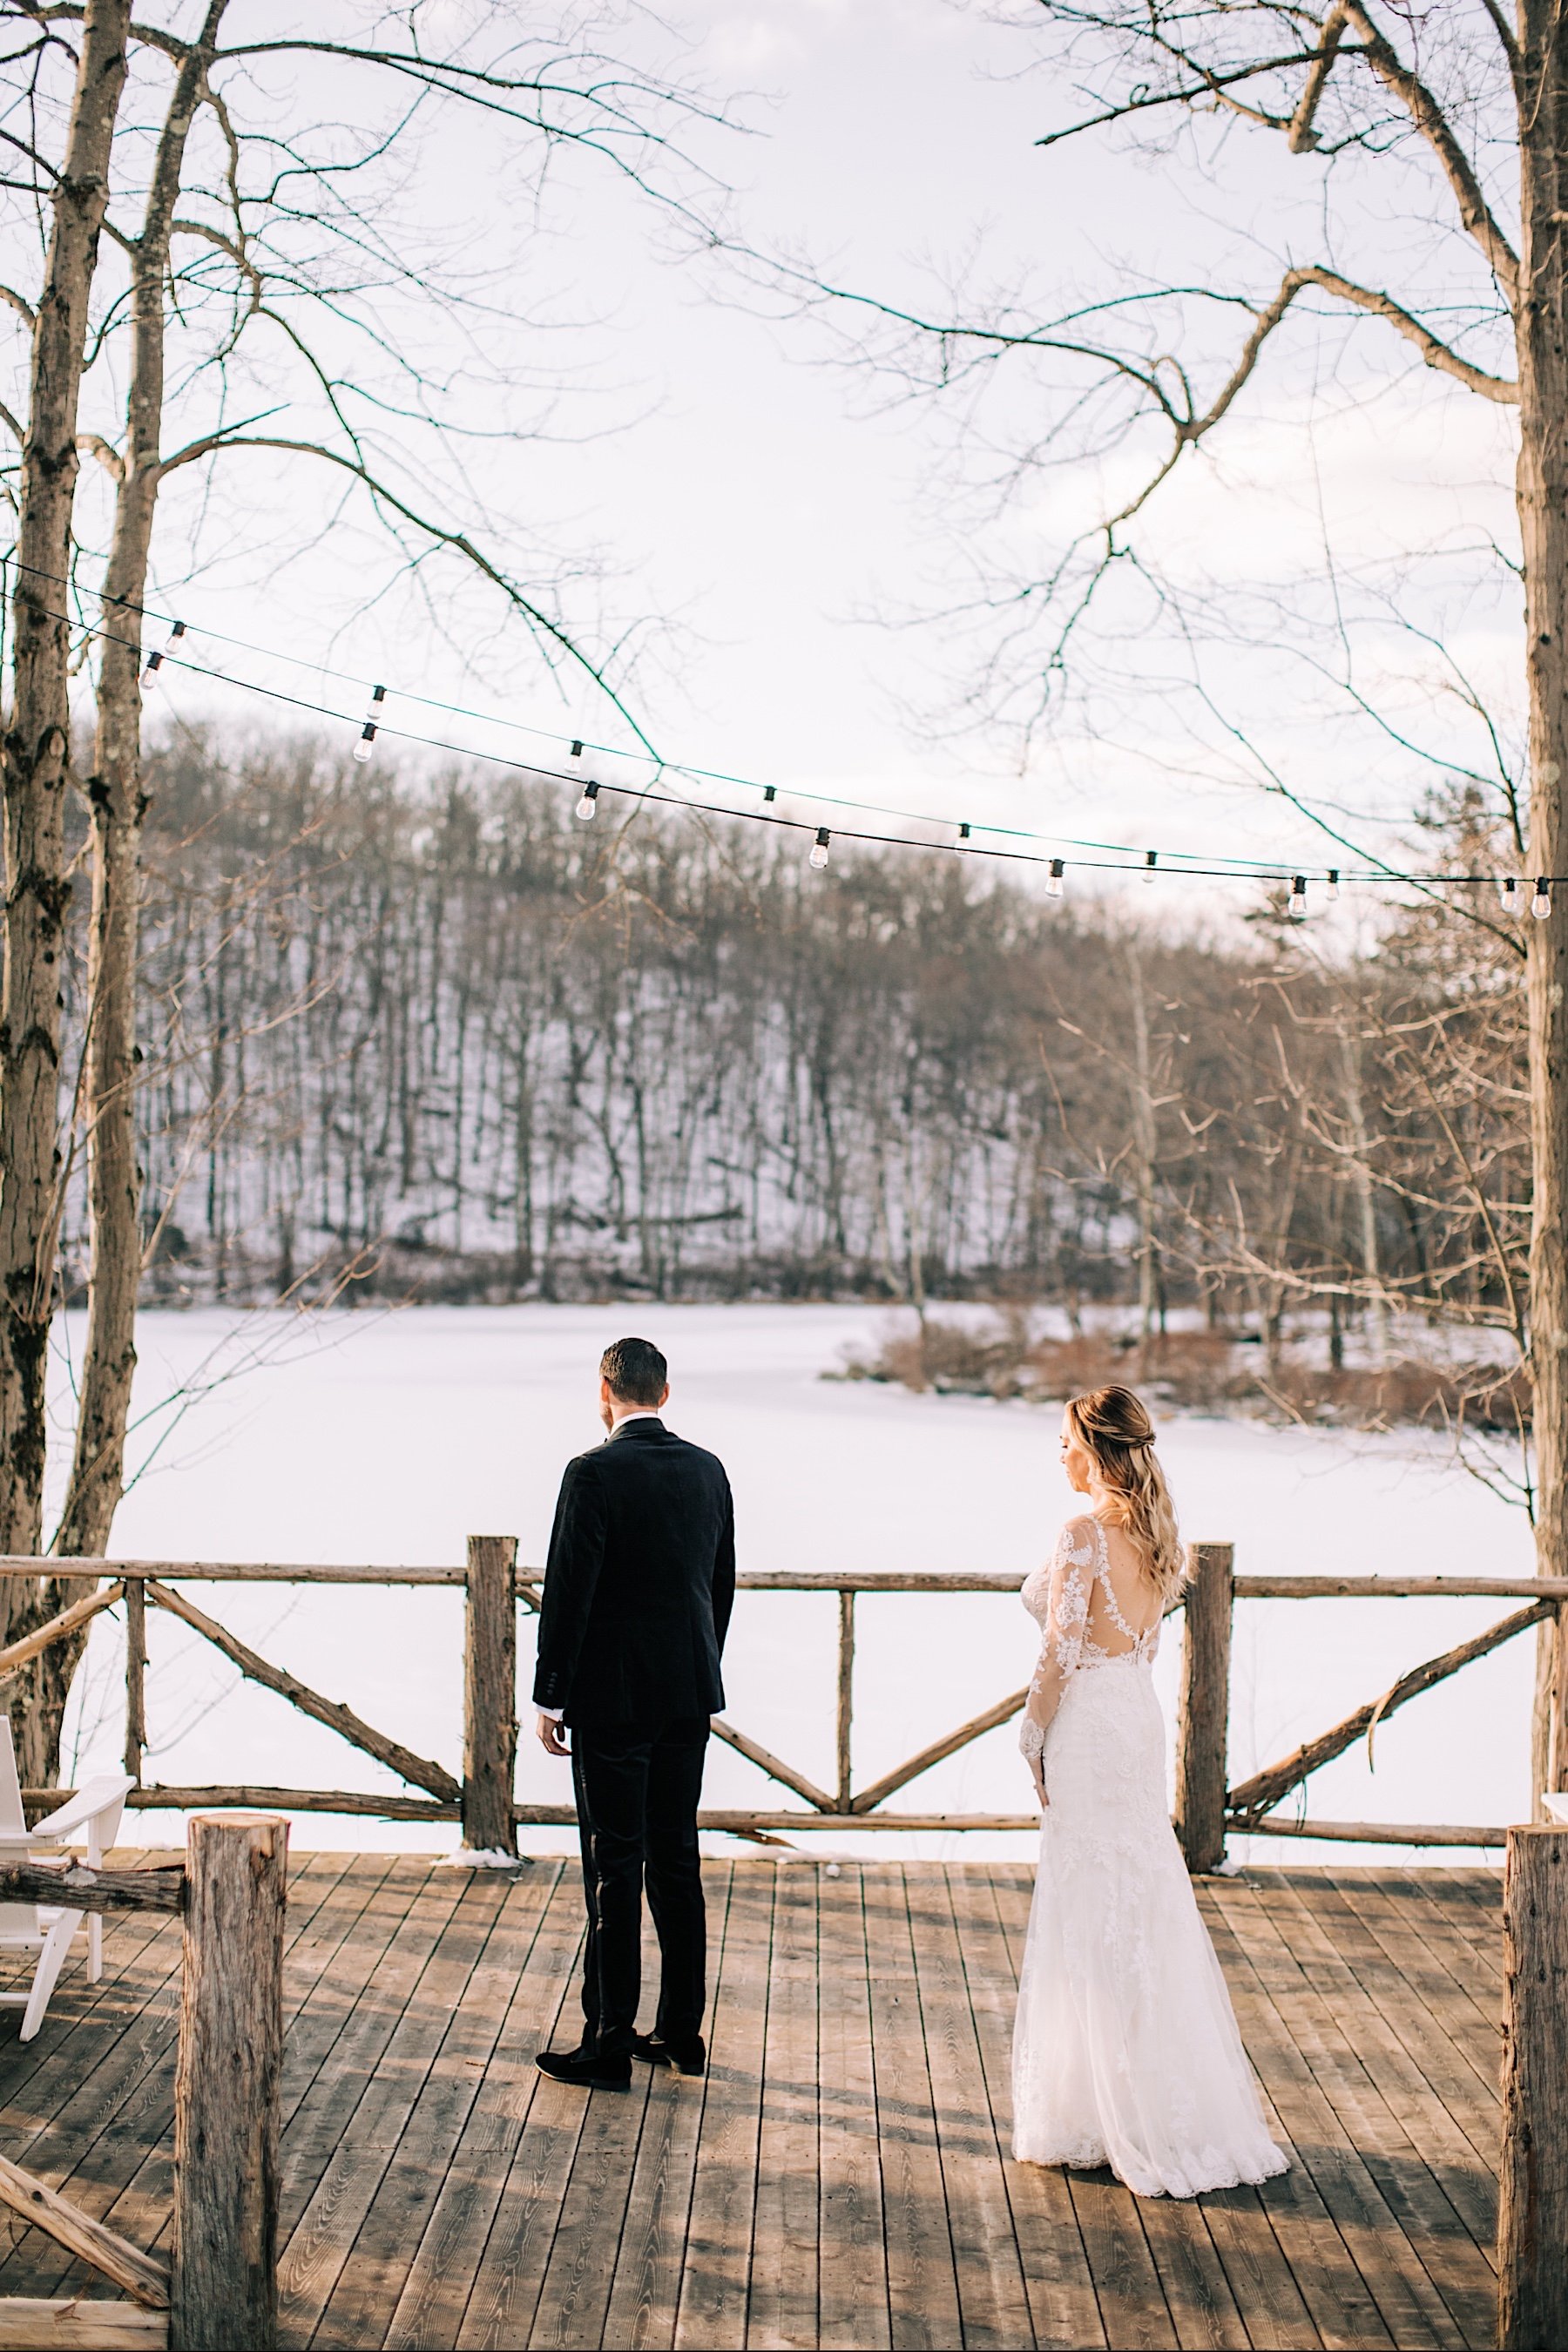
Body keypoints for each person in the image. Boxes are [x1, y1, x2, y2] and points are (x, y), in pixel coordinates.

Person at [1013, 1382, 1287, 2198]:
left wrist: (1030, 1734)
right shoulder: (1154, 1531)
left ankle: (1105, 2110)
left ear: (1095, 1450)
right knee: (1135, 1892)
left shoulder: (1081, 1532)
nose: (1056, 1454)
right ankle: (1133, 2097)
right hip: (1131, 1711)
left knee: (1092, 1900)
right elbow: (1133, 1643)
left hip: (1090, 1722)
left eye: (1064, 1441)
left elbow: (1062, 1650)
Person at [531, 1336, 735, 2092]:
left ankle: (609, 2039)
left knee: (613, 1864)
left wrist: (551, 1694)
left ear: (605, 1391)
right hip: (687, 1691)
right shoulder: (708, 1470)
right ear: (666, 1393)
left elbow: (569, 1592)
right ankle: (682, 2032)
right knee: (676, 1859)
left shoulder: (591, 1473)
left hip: (612, 1700)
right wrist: (697, 1663)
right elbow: (720, 1585)